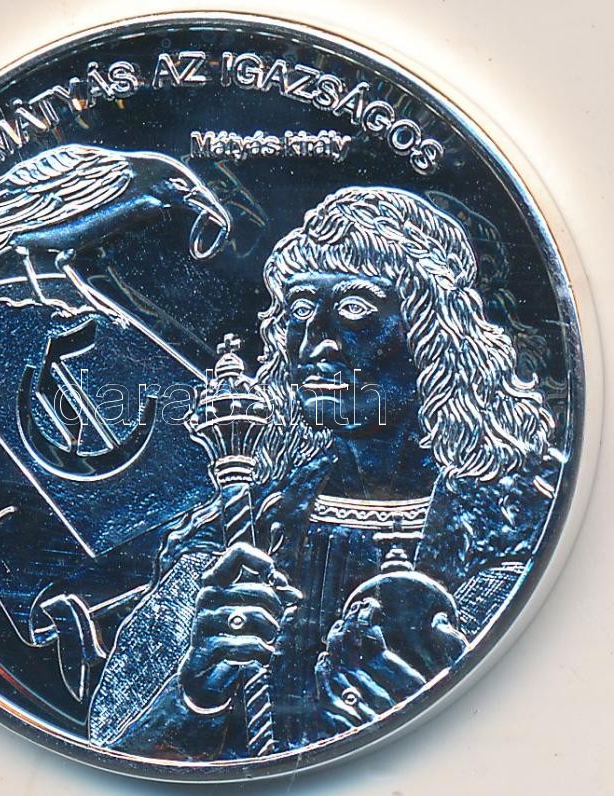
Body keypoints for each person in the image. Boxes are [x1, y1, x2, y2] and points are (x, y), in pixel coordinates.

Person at [86, 186, 560, 758]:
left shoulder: (524, 526)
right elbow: (109, 748)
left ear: (433, 335)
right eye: (301, 312)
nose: (317, 344)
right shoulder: (229, 535)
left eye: (355, 309)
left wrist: (453, 715)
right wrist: (196, 695)